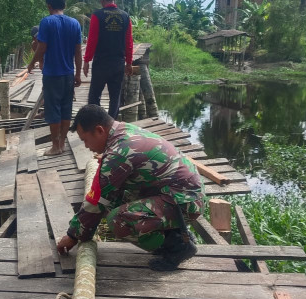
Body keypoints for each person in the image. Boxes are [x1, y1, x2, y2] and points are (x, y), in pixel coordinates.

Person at [56, 105, 205, 271]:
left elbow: (98, 202)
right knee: (116, 201)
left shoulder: (119, 153)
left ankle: (177, 248)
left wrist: (72, 236)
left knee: (118, 219)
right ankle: (175, 234)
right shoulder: (124, 130)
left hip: (185, 202)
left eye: (85, 140)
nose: (85, 146)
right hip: (180, 194)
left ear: (99, 130)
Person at [27, 0, 82, 156]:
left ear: (49, 6)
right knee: (66, 109)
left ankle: (55, 146)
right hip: (68, 74)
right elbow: (78, 53)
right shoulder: (75, 23)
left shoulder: (46, 22)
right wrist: (78, 74)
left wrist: (31, 64)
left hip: (52, 74)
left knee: (53, 110)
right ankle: (62, 143)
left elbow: (41, 48)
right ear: (64, 5)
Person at [83, 0, 133, 119]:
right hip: (118, 63)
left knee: (94, 96)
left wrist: (86, 61)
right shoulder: (125, 16)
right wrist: (128, 63)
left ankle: (95, 123)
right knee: (115, 96)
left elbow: (92, 41)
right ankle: (111, 125)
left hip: (101, 63)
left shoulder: (97, 15)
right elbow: (129, 42)